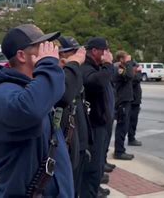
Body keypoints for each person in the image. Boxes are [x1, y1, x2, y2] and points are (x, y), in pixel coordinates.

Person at [0, 24, 74, 197]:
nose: (50, 51)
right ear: (22, 56)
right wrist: (47, 65)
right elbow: (30, 111)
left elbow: (62, 93)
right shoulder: (2, 94)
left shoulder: (32, 89)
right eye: (42, 47)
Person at [55, 36, 92, 197]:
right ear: (61, 55)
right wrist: (72, 65)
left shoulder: (74, 72)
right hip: (65, 143)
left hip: (78, 140)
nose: (79, 56)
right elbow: (66, 97)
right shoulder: (60, 76)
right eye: (74, 53)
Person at [80, 37, 114, 198]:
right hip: (93, 126)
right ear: (94, 51)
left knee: (98, 166)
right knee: (91, 170)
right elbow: (97, 83)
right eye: (105, 50)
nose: (108, 54)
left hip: (101, 124)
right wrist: (107, 65)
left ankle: (95, 191)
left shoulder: (96, 67)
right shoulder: (86, 67)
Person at [112, 51, 135, 160]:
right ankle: (119, 152)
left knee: (124, 126)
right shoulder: (118, 68)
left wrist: (129, 64)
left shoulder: (123, 67)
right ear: (121, 59)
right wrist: (129, 63)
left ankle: (120, 150)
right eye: (126, 58)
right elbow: (130, 75)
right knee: (122, 127)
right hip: (122, 101)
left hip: (126, 100)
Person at [128, 62, 143, 146]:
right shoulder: (131, 76)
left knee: (133, 121)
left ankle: (131, 137)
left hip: (135, 101)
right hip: (132, 101)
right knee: (131, 121)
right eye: (135, 67)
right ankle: (131, 138)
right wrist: (139, 72)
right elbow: (137, 79)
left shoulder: (132, 75)